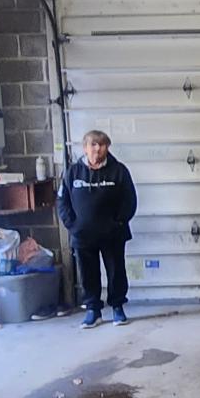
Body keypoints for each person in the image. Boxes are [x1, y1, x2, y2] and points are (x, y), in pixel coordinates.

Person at [58, 129, 137, 328]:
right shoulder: (73, 172)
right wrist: (73, 225)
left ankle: (117, 307)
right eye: (93, 145)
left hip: (113, 234)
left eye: (102, 145)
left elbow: (130, 201)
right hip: (83, 236)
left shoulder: (119, 171)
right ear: (85, 148)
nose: (97, 149)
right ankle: (93, 310)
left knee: (116, 272)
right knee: (87, 274)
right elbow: (62, 202)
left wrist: (118, 222)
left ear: (107, 148)